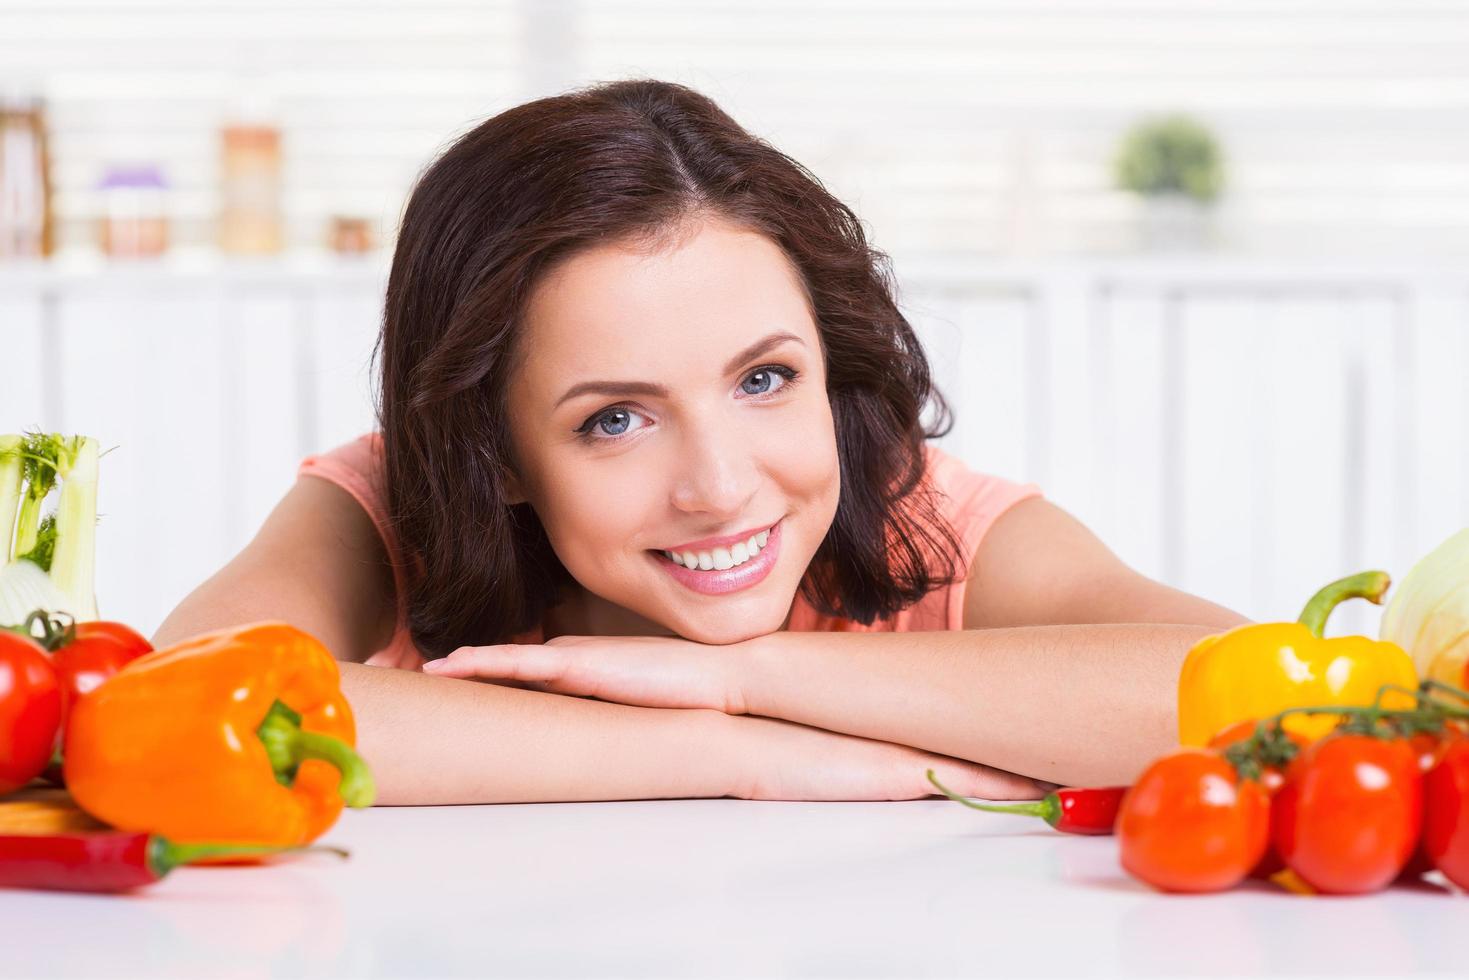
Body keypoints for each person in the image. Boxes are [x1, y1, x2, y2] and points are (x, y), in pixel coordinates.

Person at [153, 79, 1247, 806]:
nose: (722, 488)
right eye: (613, 419)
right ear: (492, 450)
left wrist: (748, 677)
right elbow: (188, 704)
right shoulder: (387, 506)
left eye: (764, 378)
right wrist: (724, 749)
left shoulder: (923, 517)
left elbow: (1257, 692)